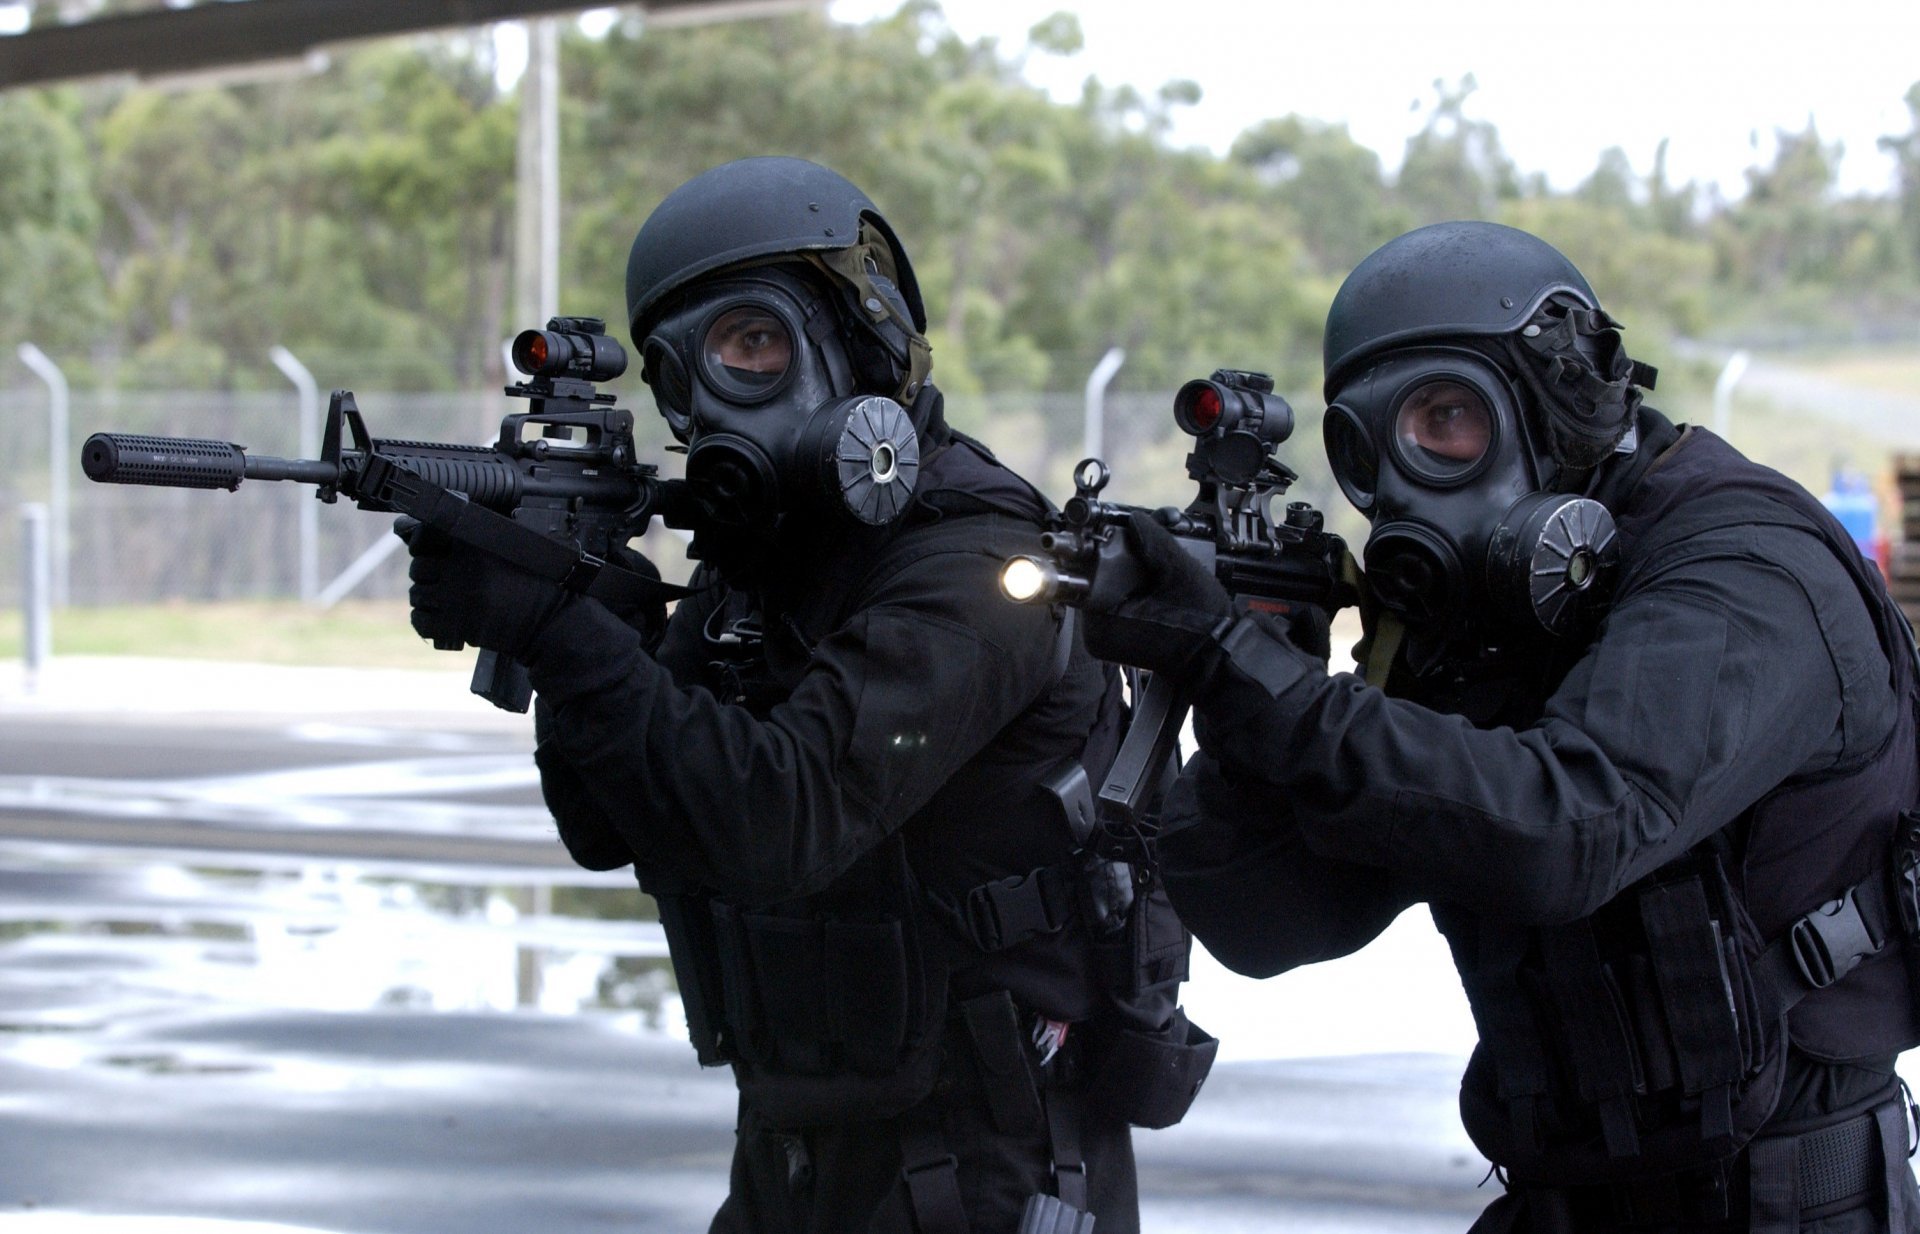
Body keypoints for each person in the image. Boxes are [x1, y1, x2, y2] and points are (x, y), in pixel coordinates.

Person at [400, 156, 1213, 1234]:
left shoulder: (979, 563)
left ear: (863, 336)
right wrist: (586, 615)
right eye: (684, 373)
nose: (717, 400)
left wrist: (565, 633)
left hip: (979, 1168)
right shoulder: (760, 570)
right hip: (795, 1158)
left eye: (751, 343)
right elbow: (605, 824)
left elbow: (783, 817)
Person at [1079, 220, 1920, 1233]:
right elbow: (1274, 919)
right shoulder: (1484, 618)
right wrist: (1257, 700)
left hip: (1788, 1200)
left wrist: (1276, 691)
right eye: (1370, 443)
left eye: (1446, 416)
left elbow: (1570, 827)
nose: (1407, 475)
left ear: (1558, 399)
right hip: (1559, 1199)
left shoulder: (1744, 568)